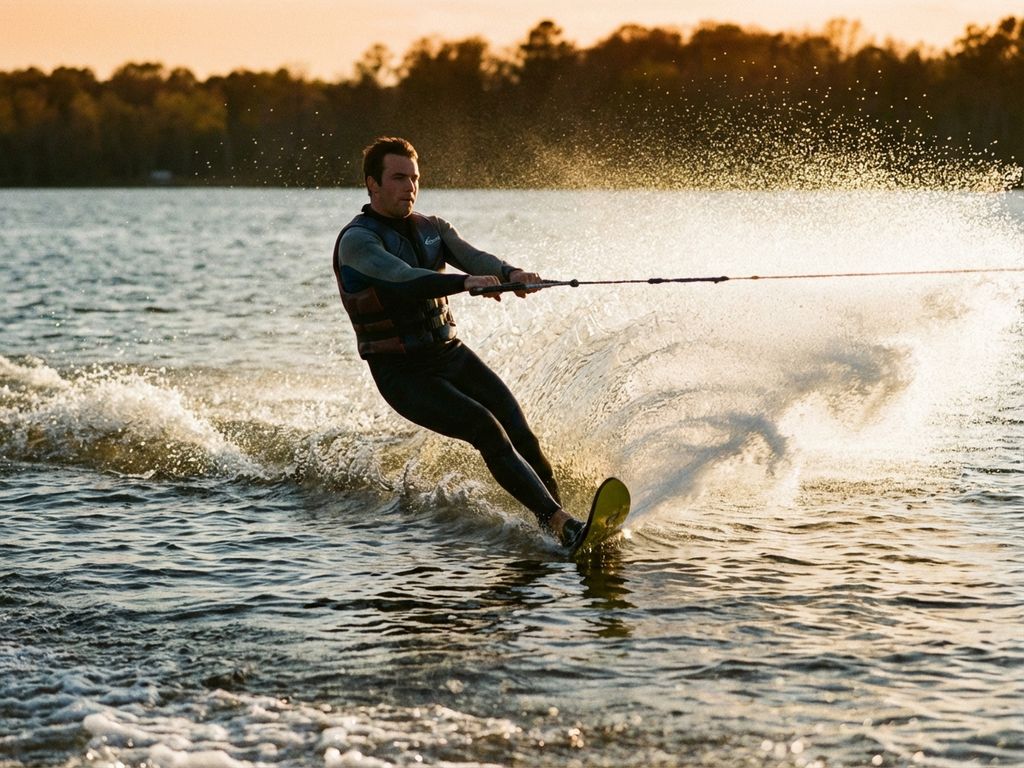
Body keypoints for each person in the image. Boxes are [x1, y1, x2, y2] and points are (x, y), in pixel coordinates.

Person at [332, 137, 584, 549]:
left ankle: (566, 520)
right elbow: (404, 278)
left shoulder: (433, 229)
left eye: (414, 178)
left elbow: (474, 256)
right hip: (403, 373)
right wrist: (464, 283)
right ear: (372, 185)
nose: (409, 187)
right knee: (484, 427)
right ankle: (558, 522)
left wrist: (510, 273)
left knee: (518, 427)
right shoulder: (358, 242)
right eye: (397, 178)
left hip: (450, 355)